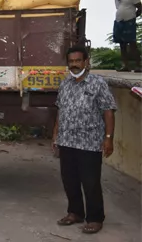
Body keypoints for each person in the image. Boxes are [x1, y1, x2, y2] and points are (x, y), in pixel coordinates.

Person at [53, 46, 116, 235]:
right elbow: (60, 111)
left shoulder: (98, 83)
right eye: (71, 62)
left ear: (86, 62)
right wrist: (55, 135)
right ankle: (75, 212)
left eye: (78, 61)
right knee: (69, 180)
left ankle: (95, 218)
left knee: (90, 182)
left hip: (89, 142)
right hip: (67, 140)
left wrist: (108, 138)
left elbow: (108, 111)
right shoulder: (65, 84)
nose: (74, 65)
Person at [113, 0, 141, 72]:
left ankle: (138, 65)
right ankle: (125, 65)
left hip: (129, 21)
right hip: (118, 22)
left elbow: (140, 7)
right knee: (122, 44)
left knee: (132, 43)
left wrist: (134, 17)